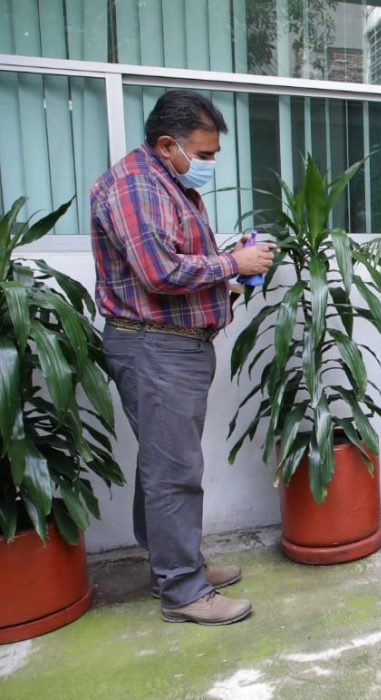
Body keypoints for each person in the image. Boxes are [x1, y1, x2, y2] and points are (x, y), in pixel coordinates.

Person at [91, 90, 275, 625]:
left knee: (163, 462)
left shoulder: (166, 182)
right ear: (168, 144)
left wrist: (229, 262)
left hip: (169, 347)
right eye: (205, 154)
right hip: (154, 347)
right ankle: (183, 592)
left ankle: (175, 565)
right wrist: (230, 262)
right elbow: (159, 272)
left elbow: (180, 258)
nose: (211, 164)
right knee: (174, 471)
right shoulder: (136, 186)